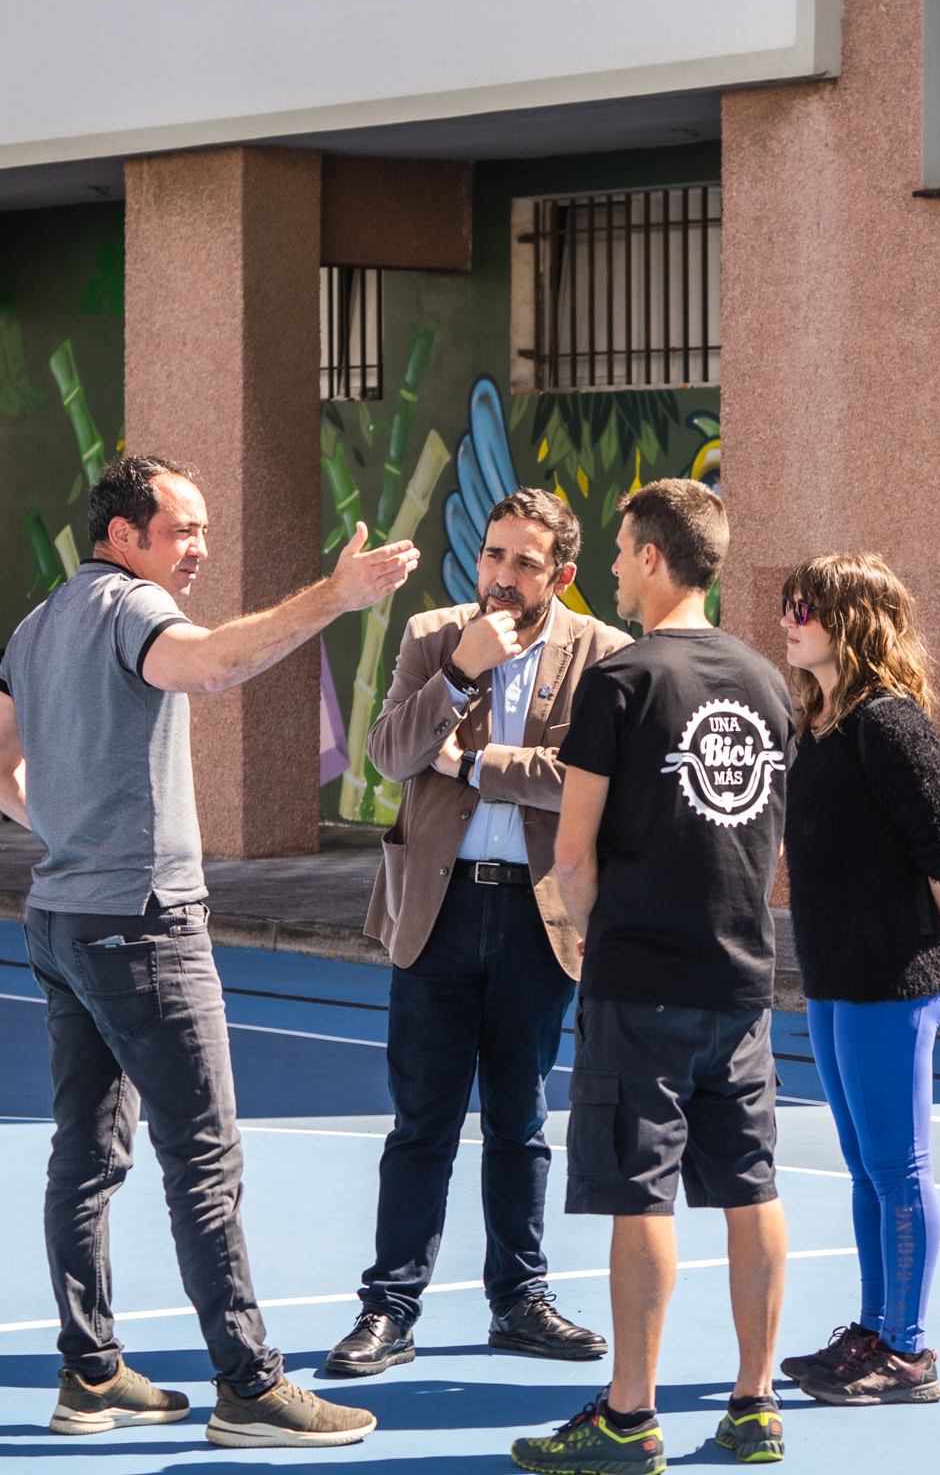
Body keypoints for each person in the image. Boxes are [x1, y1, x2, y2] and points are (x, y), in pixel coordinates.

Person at [0, 455, 419, 1449]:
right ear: (121, 537)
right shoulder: (131, 611)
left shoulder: (37, 625)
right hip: (141, 923)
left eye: (204, 530)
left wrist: (67, 839)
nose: (200, 548)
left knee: (84, 1157)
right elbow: (209, 664)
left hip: (62, 921)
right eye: (182, 531)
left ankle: (89, 1375)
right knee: (202, 1161)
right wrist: (336, 597)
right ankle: (248, 1387)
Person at [511, 479, 794, 1475]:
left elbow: (574, 855)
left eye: (624, 550)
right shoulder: (765, 683)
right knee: (750, 1187)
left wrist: (584, 943)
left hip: (642, 980)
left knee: (643, 1197)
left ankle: (628, 1419)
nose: (618, 572)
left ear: (647, 557)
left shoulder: (620, 682)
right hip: (741, 980)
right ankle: (754, 1407)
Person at [328, 488, 630, 1375]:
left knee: (521, 1120)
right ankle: (389, 1308)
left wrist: (469, 763)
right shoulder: (434, 635)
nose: (501, 575)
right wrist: (458, 674)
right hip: (440, 907)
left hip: (540, 914)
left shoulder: (603, 654)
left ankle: (519, 1300)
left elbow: (581, 780)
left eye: (524, 562)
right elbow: (387, 753)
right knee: (420, 1121)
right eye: (493, 555)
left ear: (562, 576)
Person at [771, 552, 940, 1408]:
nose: (788, 619)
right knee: (865, 1169)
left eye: (805, 607)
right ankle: (874, 1328)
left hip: (894, 979)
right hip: (834, 977)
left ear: (851, 621)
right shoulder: (817, 723)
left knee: (899, 1168)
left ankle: (908, 1351)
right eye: (788, 604)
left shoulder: (888, 724)